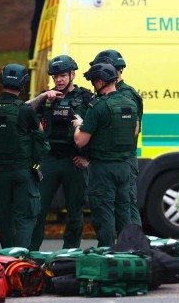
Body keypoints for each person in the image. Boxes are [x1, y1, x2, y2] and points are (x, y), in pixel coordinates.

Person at [26, 55, 93, 250]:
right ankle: (32, 253)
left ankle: (70, 253)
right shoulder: (46, 97)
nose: (59, 80)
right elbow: (22, 111)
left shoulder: (86, 97)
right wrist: (43, 97)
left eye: (63, 75)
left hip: (74, 161)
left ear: (72, 74)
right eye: (55, 76)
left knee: (75, 212)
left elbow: (99, 128)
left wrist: (88, 158)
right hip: (50, 160)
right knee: (38, 209)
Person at [0, 63, 49, 249]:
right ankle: (20, 257)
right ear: (23, 83)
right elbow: (40, 138)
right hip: (22, 172)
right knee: (25, 217)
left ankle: (6, 257)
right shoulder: (25, 110)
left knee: (4, 217)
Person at [72, 62, 139, 247]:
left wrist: (79, 126)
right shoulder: (130, 103)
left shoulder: (98, 106)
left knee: (104, 214)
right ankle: (127, 252)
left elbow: (81, 141)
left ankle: (107, 253)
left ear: (101, 81)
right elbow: (134, 131)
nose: (93, 85)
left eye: (94, 81)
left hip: (103, 169)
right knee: (124, 212)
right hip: (124, 167)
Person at [90, 50, 143, 232]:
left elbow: (130, 129)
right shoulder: (114, 94)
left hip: (122, 159)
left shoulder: (125, 95)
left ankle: (133, 244)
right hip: (118, 159)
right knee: (121, 208)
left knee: (127, 208)